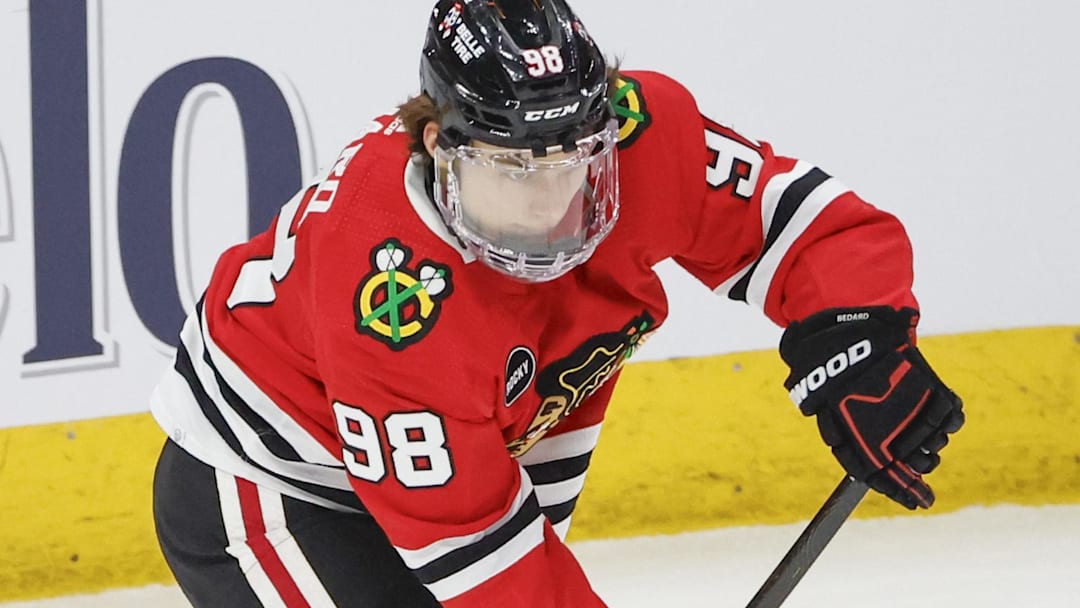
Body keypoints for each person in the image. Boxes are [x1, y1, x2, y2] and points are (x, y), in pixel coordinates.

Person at [150, 0, 965, 606]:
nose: (547, 206)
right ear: (440, 145)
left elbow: (809, 228)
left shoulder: (644, 133)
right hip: (274, 480)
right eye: (511, 172)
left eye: (568, 164)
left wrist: (862, 334)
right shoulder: (392, 311)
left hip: (488, 435)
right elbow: (493, 573)